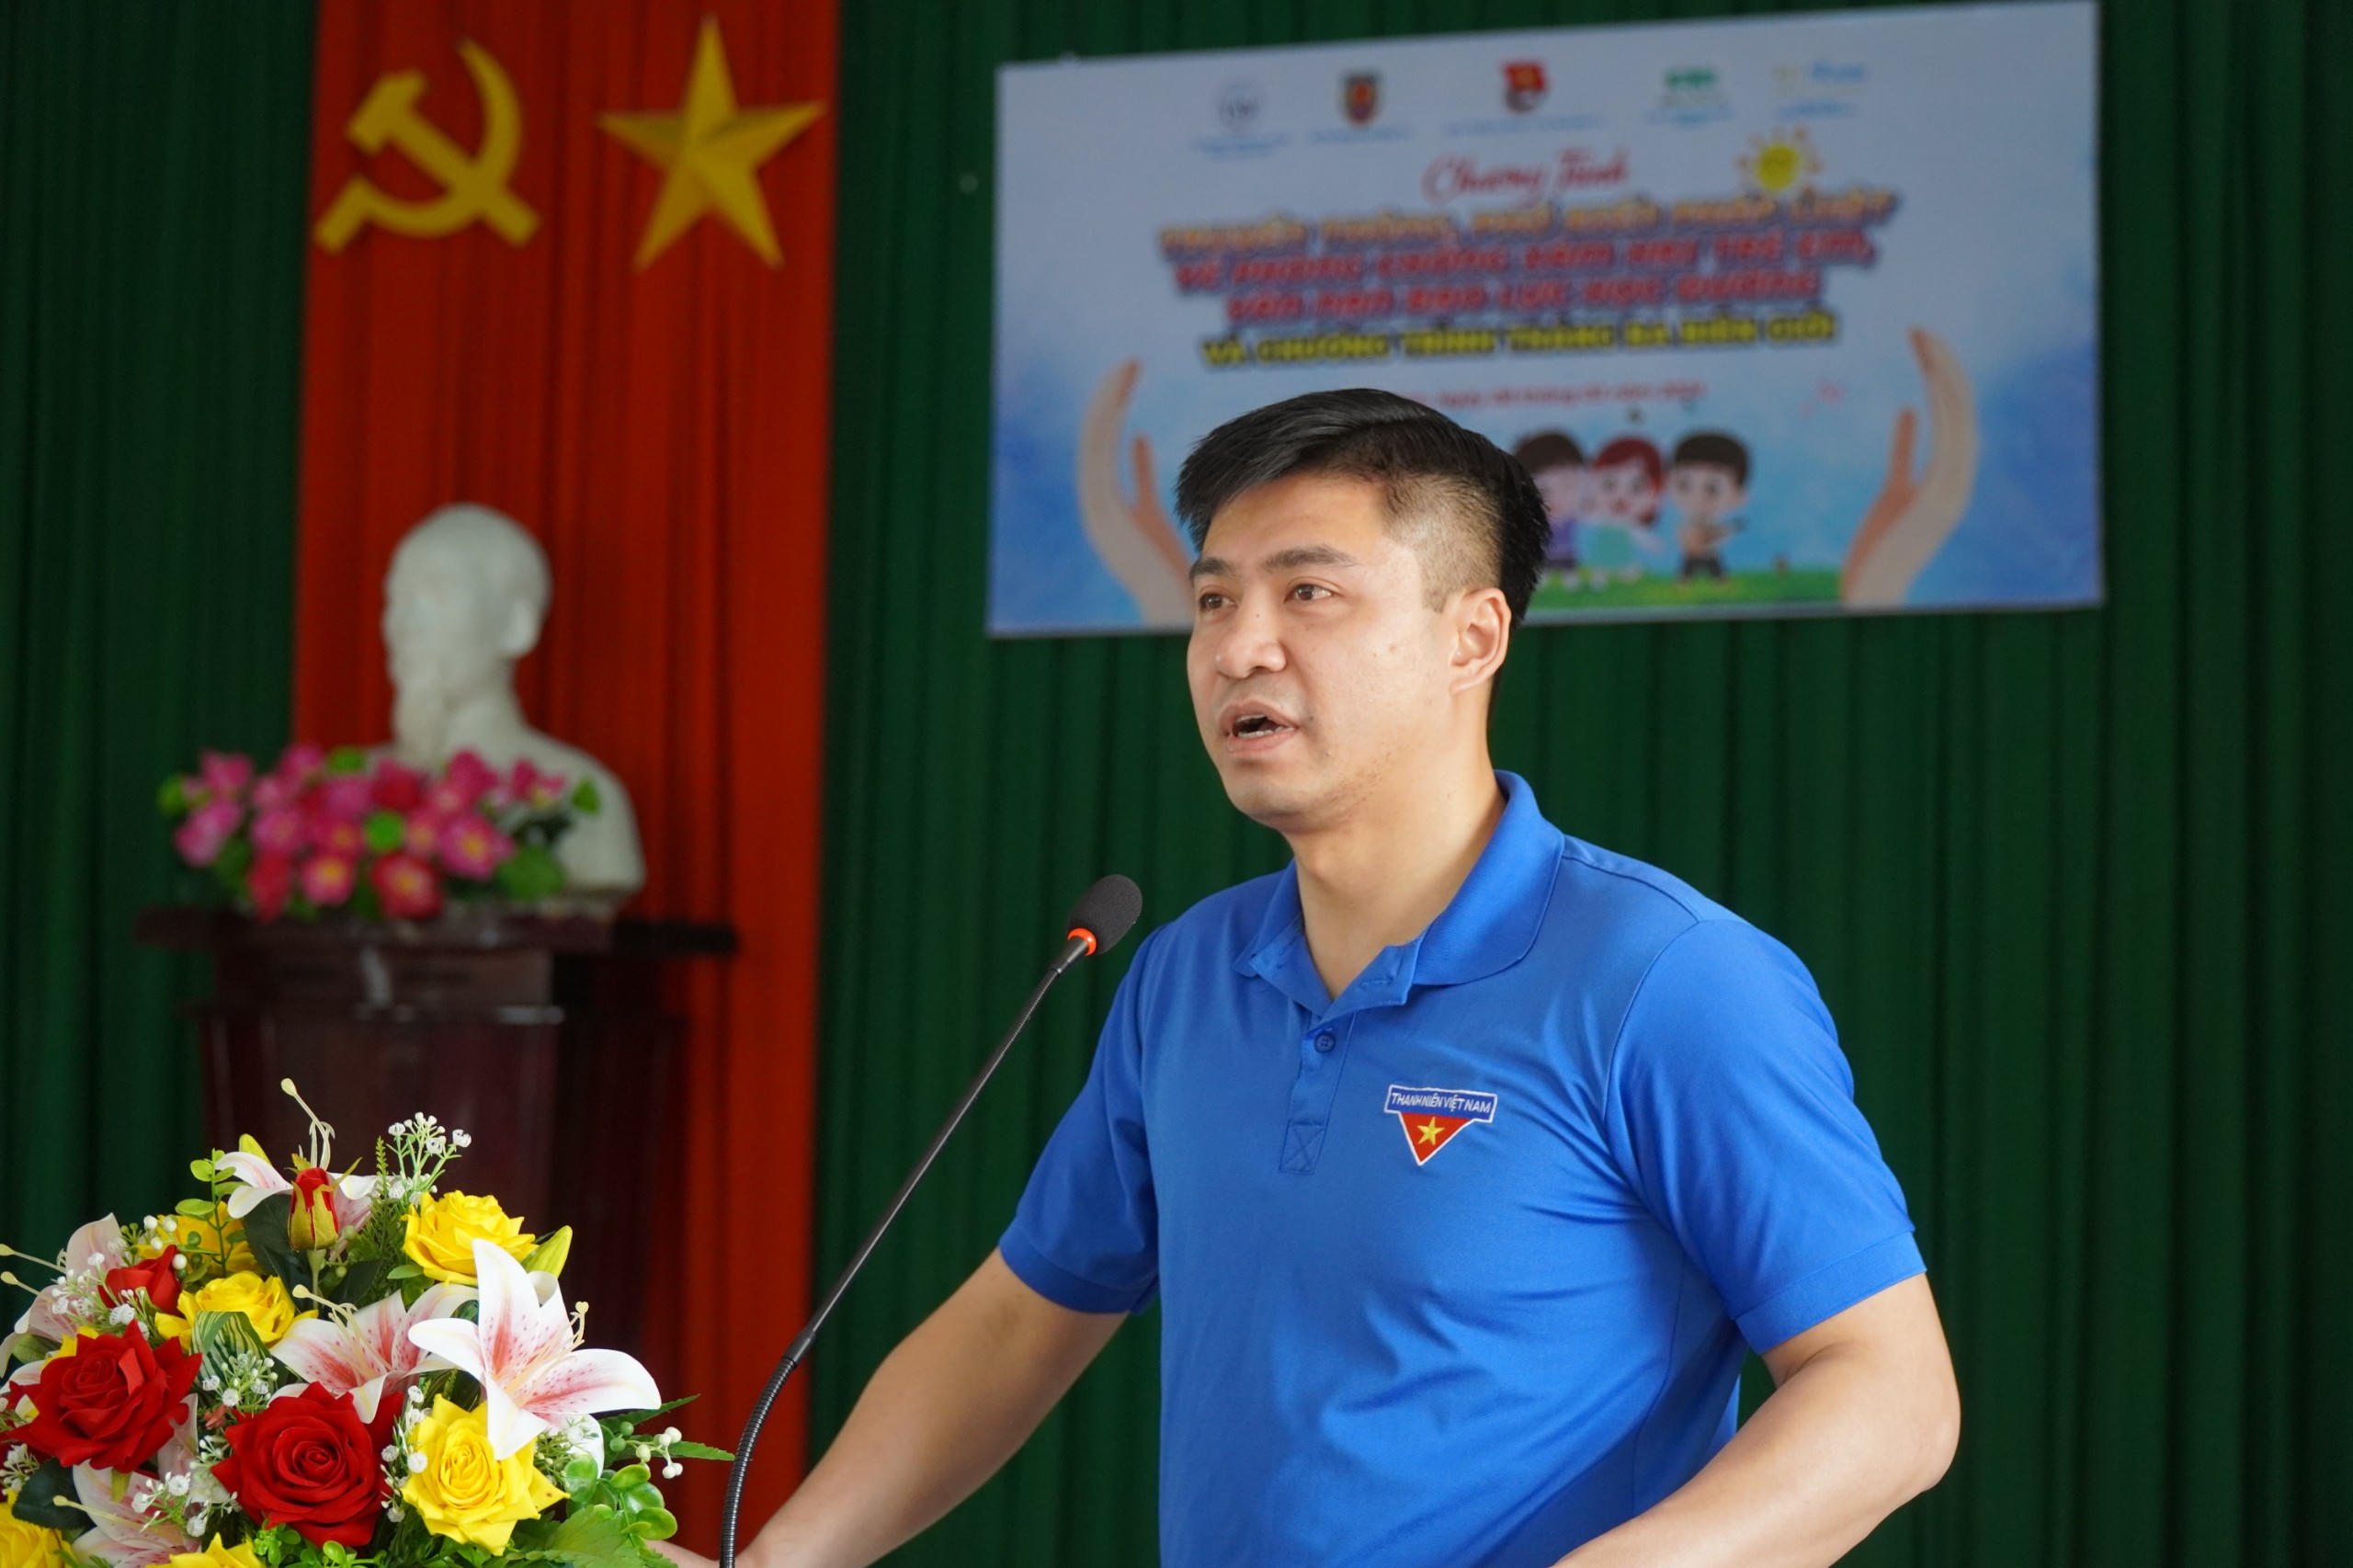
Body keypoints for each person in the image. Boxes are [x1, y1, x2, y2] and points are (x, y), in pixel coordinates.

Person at [671, 390, 1959, 1568]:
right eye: (1213, 600)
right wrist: (774, 1566)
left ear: (1473, 636)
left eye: (1309, 592)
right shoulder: (1185, 972)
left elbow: (1890, 1393)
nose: (1241, 647)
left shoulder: (1664, 977)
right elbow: (1022, 1317)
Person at [1666, 430, 1751, 582]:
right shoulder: (1686, 525)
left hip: (1710, 555)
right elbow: (1687, 540)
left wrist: (1722, 533)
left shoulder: (1715, 526)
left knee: (1718, 573)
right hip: (1691, 555)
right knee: (1685, 573)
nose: (1697, 498)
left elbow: (1717, 536)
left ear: (1738, 497)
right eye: (1684, 485)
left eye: (1712, 489)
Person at [1510, 428, 1587, 585]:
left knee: (1569, 570)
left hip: (1568, 552)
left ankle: (1571, 582)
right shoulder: (1527, 525)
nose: (1556, 498)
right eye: (1544, 490)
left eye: (1567, 487)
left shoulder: (1582, 522)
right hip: (1544, 556)